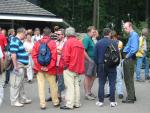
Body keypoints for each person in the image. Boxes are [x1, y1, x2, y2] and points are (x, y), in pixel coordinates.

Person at [32, 27, 59, 110]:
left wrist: (40, 67)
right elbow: (54, 57)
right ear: (50, 34)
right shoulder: (52, 43)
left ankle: (42, 104)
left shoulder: (37, 42)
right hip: (50, 69)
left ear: (42, 33)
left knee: (41, 86)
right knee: (53, 85)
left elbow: (34, 56)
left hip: (39, 69)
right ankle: (55, 102)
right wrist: (48, 67)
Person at [60, 27, 85, 109]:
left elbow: (65, 56)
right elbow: (82, 57)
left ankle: (69, 104)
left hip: (69, 67)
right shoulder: (79, 43)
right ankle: (77, 103)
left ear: (66, 34)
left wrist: (65, 66)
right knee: (76, 85)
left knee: (69, 86)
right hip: (77, 67)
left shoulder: (68, 43)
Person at [94, 28, 119, 107]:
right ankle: (112, 101)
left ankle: (101, 101)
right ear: (110, 34)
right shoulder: (114, 43)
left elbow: (95, 56)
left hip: (101, 65)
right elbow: (117, 55)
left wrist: (98, 64)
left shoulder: (98, 43)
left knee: (101, 83)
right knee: (112, 83)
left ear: (103, 34)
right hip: (112, 65)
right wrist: (116, 64)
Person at [9, 27, 32, 107]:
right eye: (25, 33)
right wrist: (15, 66)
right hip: (18, 66)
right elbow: (13, 55)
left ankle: (22, 99)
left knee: (21, 83)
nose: (26, 35)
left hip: (21, 65)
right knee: (15, 84)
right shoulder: (15, 41)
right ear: (21, 33)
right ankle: (14, 101)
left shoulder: (18, 41)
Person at [122, 22, 139, 103]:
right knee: (129, 78)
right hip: (130, 58)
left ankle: (130, 98)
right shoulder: (132, 35)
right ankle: (132, 95)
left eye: (126, 28)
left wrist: (127, 56)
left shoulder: (134, 35)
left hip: (129, 58)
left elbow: (135, 48)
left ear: (130, 26)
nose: (124, 30)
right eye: (124, 28)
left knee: (128, 78)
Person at [82, 26, 97, 100]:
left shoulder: (91, 39)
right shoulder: (86, 39)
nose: (94, 33)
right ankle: (87, 94)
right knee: (87, 77)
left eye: (94, 32)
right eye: (93, 32)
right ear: (89, 32)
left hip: (93, 60)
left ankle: (89, 92)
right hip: (88, 61)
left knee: (93, 76)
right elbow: (83, 50)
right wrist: (89, 59)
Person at [111, 31, 124, 99]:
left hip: (118, 61)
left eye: (113, 37)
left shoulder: (120, 42)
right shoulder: (109, 42)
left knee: (119, 77)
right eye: (111, 38)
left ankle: (120, 92)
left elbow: (117, 51)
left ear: (116, 37)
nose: (112, 39)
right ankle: (109, 92)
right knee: (110, 78)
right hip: (110, 61)